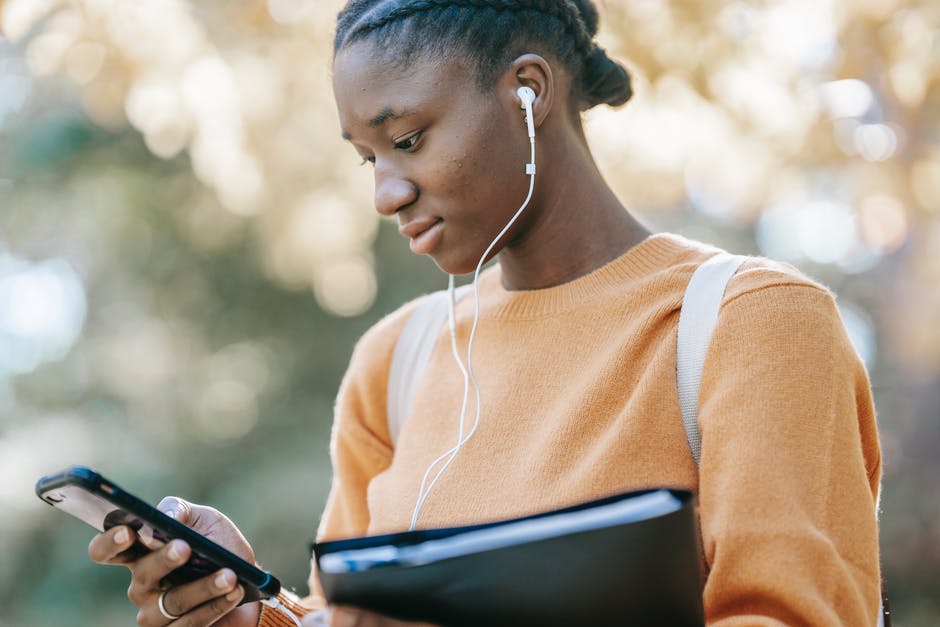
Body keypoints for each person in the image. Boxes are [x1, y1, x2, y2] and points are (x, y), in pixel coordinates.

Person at [88, 0, 884, 625]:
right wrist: (251, 611)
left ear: (528, 91)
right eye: (368, 158)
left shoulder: (754, 324)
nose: (384, 193)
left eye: (408, 138)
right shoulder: (395, 361)